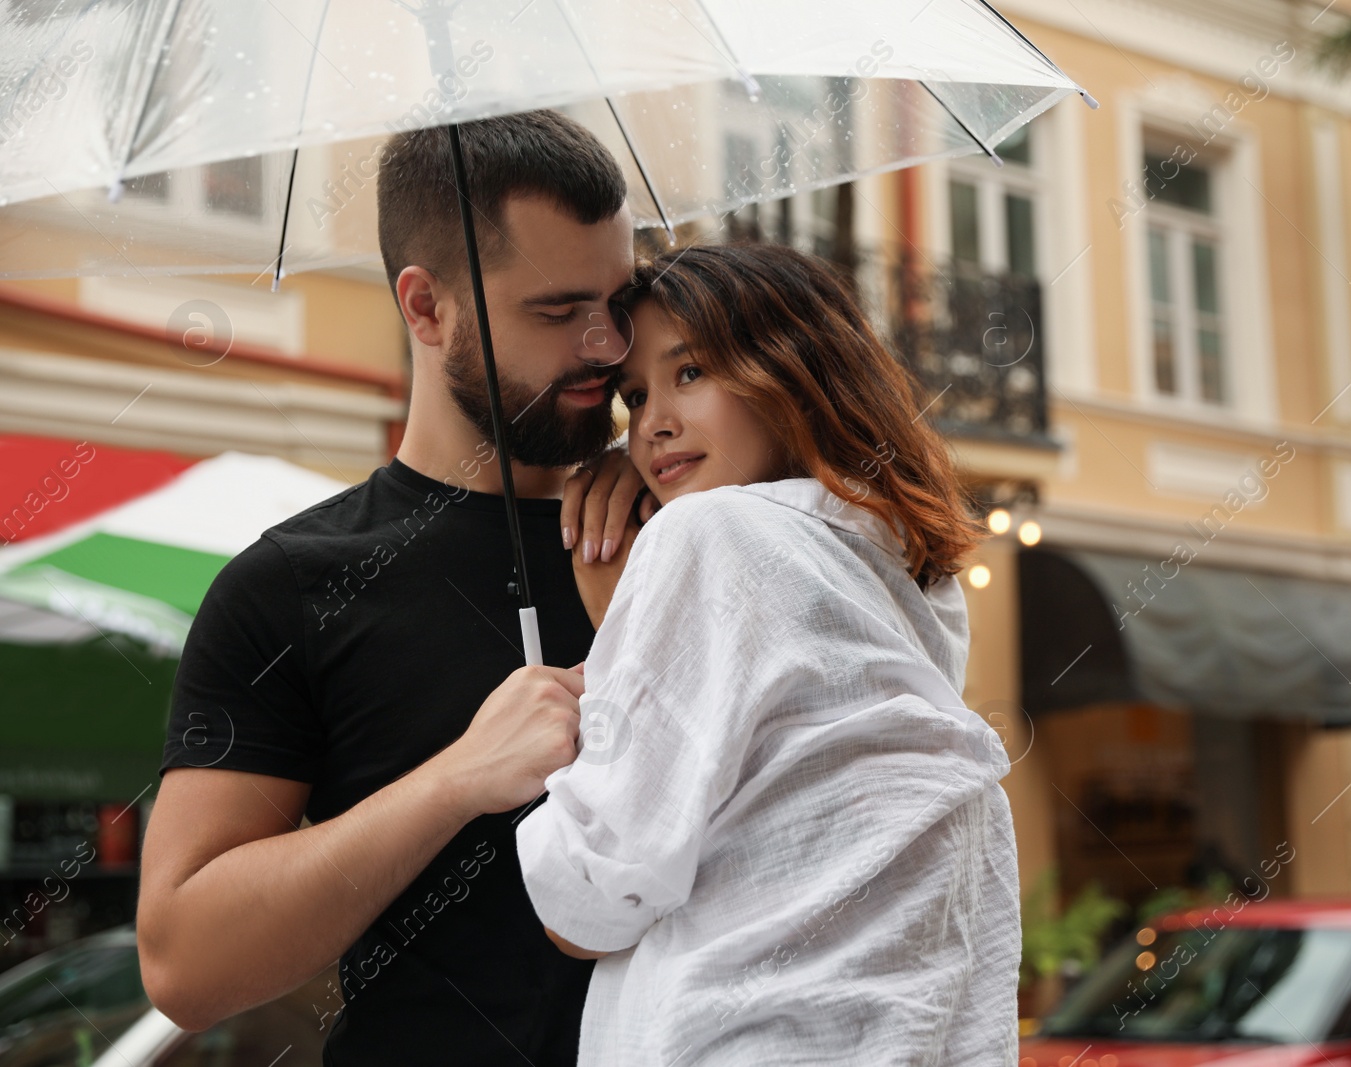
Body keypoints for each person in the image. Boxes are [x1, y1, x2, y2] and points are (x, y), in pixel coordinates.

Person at [137, 111, 649, 1066]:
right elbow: (183, 963)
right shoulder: (291, 586)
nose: (607, 344)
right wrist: (455, 781)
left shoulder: (695, 531)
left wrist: (689, 492)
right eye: (556, 311)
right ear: (425, 308)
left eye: (622, 302)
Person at [516, 243, 1023, 1065]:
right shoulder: (920, 589)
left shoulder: (704, 533)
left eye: (691, 373)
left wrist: (616, 632)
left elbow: (583, 906)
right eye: (634, 396)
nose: (652, 426)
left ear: (792, 372)